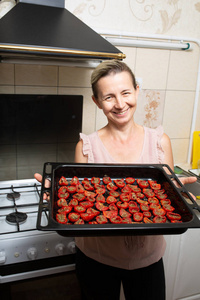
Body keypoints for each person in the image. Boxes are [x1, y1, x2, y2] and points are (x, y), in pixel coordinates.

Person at [34, 59, 196, 300]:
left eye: (126, 92)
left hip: (148, 259)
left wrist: (179, 197)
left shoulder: (160, 142)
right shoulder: (86, 146)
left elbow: (167, 195)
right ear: (97, 102)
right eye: (109, 97)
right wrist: (58, 193)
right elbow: (79, 196)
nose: (120, 104)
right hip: (95, 258)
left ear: (137, 91)